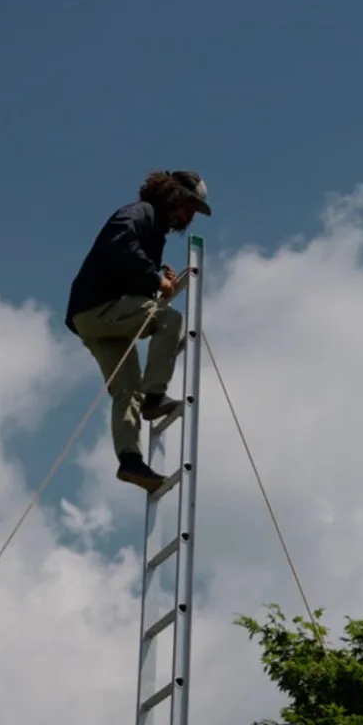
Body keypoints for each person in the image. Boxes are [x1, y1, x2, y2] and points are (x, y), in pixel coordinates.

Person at [65, 170, 212, 491]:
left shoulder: (153, 230)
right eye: (189, 205)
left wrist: (158, 278)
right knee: (170, 321)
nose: (189, 215)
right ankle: (155, 396)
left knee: (126, 390)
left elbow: (130, 269)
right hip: (99, 306)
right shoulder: (140, 213)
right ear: (172, 195)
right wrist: (153, 278)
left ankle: (130, 461)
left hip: (95, 319)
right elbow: (118, 242)